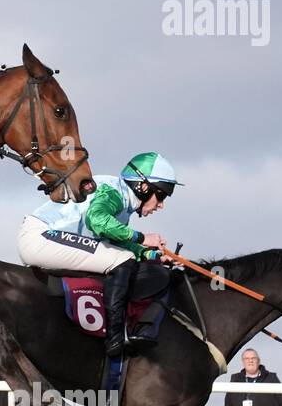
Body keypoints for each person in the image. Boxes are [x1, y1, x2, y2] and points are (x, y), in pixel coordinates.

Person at [17, 152, 181, 359]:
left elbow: (113, 243)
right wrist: (141, 238)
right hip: (41, 237)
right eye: (162, 195)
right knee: (123, 261)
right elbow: (97, 220)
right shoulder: (112, 192)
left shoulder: (123, 204)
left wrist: (150, 255)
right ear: (143, 186)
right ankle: (115, 339)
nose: (161, 205)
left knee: (123, 257)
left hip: (48, 238)